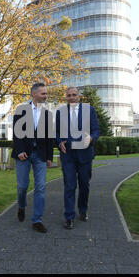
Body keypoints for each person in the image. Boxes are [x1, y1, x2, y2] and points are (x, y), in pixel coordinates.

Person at [11, 83, 53, 233]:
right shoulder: (21, 110)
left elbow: (49, 137)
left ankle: (37, 220)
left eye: (46, 93)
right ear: (34, 94)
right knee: (22, 186)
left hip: (40, 155)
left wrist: (49, 157)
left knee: (40, 187)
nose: (45, 96)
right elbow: (16, 133)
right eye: (43, 93)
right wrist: (20, 150)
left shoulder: (48, 114)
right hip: (23, 155)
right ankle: (21, 206)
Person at [56, 87, 100, 229]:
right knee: (69, 185)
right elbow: (55, 132)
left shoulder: (90, 110)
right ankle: (69, 216)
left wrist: (91, 138)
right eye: (69, 95)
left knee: (84, 185)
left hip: (85, 154)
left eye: (74, 95)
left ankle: (83, 210)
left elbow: (96, 130)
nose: (72, 97)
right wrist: (59, 142)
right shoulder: (60, 112)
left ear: (79, 96)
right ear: (66, 98)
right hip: (67, 155)